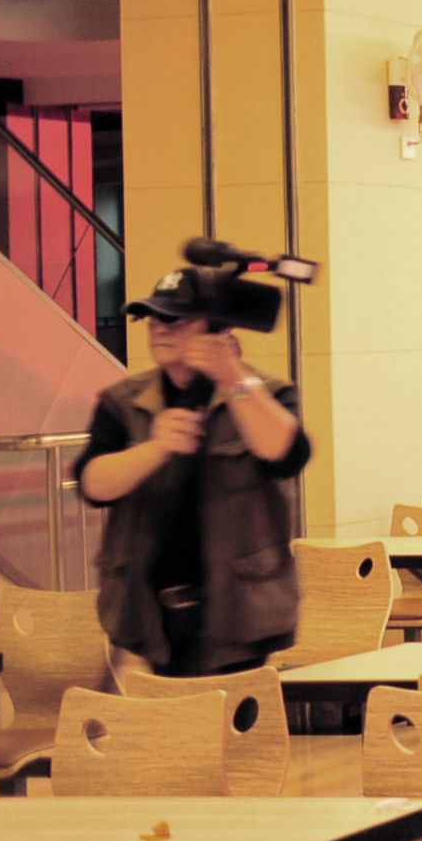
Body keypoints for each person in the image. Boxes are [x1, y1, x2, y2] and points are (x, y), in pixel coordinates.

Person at [79, 268, 312, 684]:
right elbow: (93, 484)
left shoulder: (266, 393)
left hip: (240, 618)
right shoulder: (123, 402)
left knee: (232, 726)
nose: (160, 328)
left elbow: (287, 453)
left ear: (216, 330)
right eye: (153, 317)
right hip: (145, 617)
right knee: (158, 727)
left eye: (176, 318)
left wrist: (234, 378)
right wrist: (155, 449)